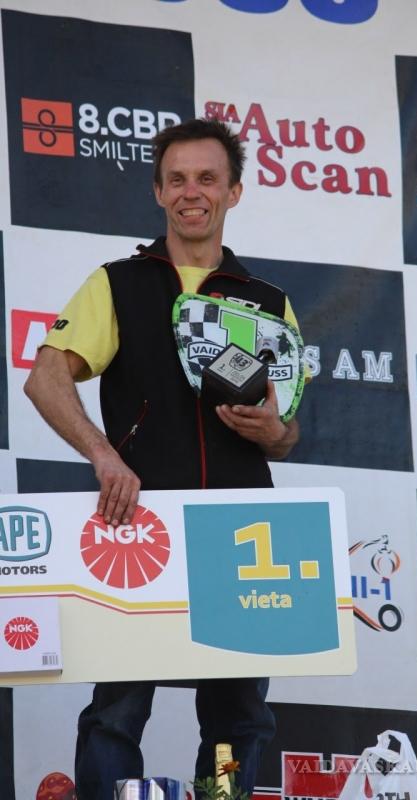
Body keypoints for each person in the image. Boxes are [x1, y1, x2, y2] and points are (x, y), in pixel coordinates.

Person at [24, 118, 301, 800]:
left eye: (207, 178)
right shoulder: (117, 282)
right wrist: (103, 456)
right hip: (139, 526)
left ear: (234, 191)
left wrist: (273, 430)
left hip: (240, 534)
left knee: (238, 719)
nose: (190, 192)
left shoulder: (269, 302)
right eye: (176, 179)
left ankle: (222, 796)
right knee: (117, 711)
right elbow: (45, 378)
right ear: (157, 191)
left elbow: (287, 434)